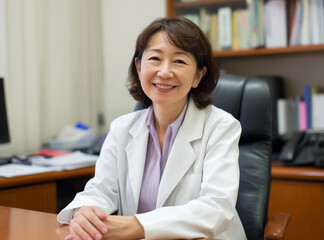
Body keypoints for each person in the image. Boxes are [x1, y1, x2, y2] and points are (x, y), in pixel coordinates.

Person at [58, 16, 247, 240]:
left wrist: (137, 226)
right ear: (139, 67)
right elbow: (102, 190)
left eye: (179, 61)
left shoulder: (221, 127)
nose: (165, 72)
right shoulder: (122, 128)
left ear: (198, 75)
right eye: (155, 58)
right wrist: (85, 212)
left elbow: (216, 209)